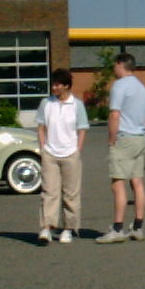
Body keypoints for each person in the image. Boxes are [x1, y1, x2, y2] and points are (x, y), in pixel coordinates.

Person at [97, 52, 145, 243]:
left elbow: (114, 115)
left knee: (118, 183)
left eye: (115, 65)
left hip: (124, 137)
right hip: (140, 136)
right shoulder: (141, 88)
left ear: (120, 64)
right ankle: (138, 226)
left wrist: (111, 139)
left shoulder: (119, 86)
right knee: (137, 182)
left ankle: (117, 228)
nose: (113, 68)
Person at [35, 69, 87, 244]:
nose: (54, 87)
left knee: (70, 194)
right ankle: (46, 227)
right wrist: (43, 148)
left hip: (70, 153)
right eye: (53, 84)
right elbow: (41, 127)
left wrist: (77, 149)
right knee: (49, 191)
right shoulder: (46, 103)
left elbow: (82, 129)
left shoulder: (76, 105)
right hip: (50, 153)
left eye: (57, 84)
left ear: (66, 86)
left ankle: (68, 228)